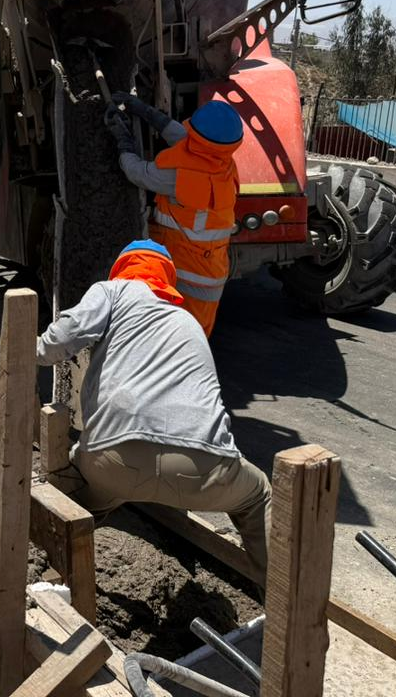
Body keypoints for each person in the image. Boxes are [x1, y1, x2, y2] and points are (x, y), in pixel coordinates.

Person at [37, 239, 271, 575]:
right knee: (257, 495)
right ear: (167, 280)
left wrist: (28, 349)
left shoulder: (114, 291)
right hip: (203, 471)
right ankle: (284, 606)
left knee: (82, 499)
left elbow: (62, 339)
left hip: (113, 463)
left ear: (122, 269)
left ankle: (50, 567)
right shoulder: (187, 319)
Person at [105, 94, 243, 336]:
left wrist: (122, 139)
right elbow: (180, 135)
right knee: (190, 339)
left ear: (200, 138)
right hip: (211, 268)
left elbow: (137, 172)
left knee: (181, 340)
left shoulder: (180, 177)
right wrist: (144, 110)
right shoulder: (223, 163)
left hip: (188, 278)